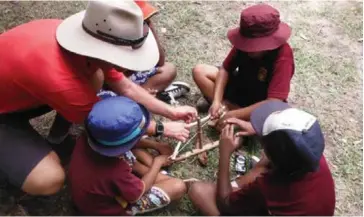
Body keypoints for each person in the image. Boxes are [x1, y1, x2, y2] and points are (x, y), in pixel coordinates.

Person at [0, 0, 197, 196]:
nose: (127, 66)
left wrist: (171, 111)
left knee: (96, 77)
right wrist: (161, 128)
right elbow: (101, 119)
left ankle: (55, 138)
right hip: (10, 109)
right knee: (49, 179)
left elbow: (125, 86)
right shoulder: (62, 82)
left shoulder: (82, 41)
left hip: (17, 93)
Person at [188, 101, 336, 216]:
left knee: (199, 190)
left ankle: (236, 189)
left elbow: (224, 203)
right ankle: (238, 186)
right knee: (262, 165)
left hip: (267, 200)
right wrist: (254, 128)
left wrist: (225, 153)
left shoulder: (270, 188)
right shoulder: (309, 156)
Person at [69, 96, 187, 215]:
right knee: (178, 186)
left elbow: (126, 143)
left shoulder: (90, 137)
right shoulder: (115, 171)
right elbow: (138, 193)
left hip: (89, 191)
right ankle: (150, 179)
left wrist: (155, 145)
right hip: (108, 209)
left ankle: (150, 173)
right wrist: (158, 162)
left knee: (138, 157)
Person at [192, 4, 295, 129]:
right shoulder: (244, 43)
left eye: (254, 46)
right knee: (200, 71)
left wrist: (234, 114)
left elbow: (274, 101)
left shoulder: (283, 56)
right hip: (241, 88)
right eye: (247, 44)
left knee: (271, 117)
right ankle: (226, 110)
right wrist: (217, 101)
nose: (249, 49)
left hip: (261, 103)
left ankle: (237, 118)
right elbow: (225, 69)